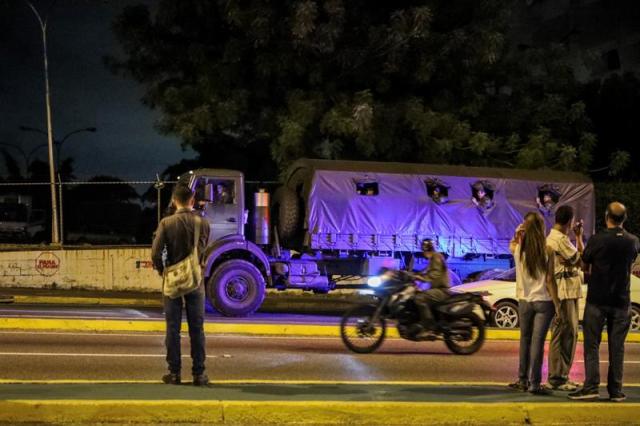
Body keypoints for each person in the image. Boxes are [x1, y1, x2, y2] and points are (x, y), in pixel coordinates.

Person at [569, 202, 640, 402]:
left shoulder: (597, 239)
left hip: (597, 300)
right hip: (621, 301)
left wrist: (577, 237)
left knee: (592, 345)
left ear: (606, 216)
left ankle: (591, 387)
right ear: (624, 219)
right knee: (617, 347)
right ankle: (615, 391)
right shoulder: (633, 241)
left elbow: (584, 265)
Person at [151, 184, 211, 386]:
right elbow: (203, 250)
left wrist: (163, 271)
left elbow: (155, 254)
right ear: (192, 201)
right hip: (195, 281)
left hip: (173, 281)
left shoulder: (166, 223)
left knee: (173, 329)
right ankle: (199, 374)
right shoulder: (203, 223)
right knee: (197, 328)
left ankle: (174, 373)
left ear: (174, 201)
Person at [508, 212, 559, 395]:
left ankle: (522, 380)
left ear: (526, 228)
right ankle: (535, 384)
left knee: (525, 340)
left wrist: (517, 233)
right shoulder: (548, 250)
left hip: (524, 301)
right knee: (538, 343)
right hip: (544, 302)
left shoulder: (518, 248)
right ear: (541, 228)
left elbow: (512, 242)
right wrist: (558, 306)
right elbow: (550, 280)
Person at [546, 205, 584, 391]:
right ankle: (558, 378)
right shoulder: (560, 240)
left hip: (566, 290)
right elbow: (583, 261)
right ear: (570, 221)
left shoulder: (553, 238)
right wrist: (578, 237)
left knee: (564, 333)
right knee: (566, 334)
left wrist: (571, 259)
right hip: (566, 292)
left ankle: (559, 376)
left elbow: (575, 260)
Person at [412, 238, 451, 336]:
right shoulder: (433, 259)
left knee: (420, 298)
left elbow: (435, 273)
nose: (422, 252)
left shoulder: (436, 257)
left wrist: (421, 278)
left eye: (423, 249)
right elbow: (425, 271)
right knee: (418, 294)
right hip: (437, 289)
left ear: (426, 249)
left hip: (442, 290)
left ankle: (429, 328)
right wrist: (413, 275)